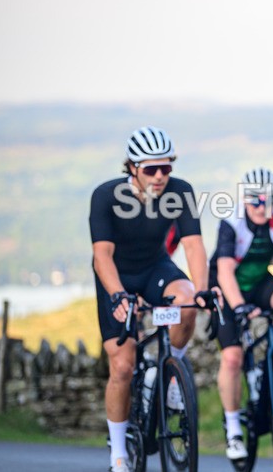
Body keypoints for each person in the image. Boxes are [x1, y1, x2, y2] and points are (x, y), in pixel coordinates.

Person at [89, 126, 210, 472]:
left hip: (155, 268)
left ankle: (169, 373)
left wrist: (201, 289)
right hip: (116, 276)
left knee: (186, 303)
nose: (160, 177)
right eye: (150, 169)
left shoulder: (180, 191)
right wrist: (117, 296)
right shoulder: (106, 196)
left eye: (166, 168)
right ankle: (119, 455)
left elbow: (193, 246)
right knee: (123, 366)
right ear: (131, 168)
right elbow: (102, 256)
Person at [208, 167, 273, 462]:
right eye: (256, 200)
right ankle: (233, 429)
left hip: (259, 282)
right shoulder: (232, 223)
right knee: (232, 356)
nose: (262, 206)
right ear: (245, 200)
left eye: (268, 200)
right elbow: (224, 272)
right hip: (227, 290)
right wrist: (240, 308)